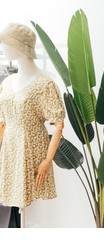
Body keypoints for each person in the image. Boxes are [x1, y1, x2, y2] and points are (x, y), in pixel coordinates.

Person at [0, 23, 65, 209]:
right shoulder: (7, 82)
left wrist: (47, 161)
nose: (2, 48)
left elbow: (58, 125)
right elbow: (3, 121)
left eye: (5, 43)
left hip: (30, 148)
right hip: (10, 149)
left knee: (24, 203)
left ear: (18, 45)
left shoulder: (44, 84)